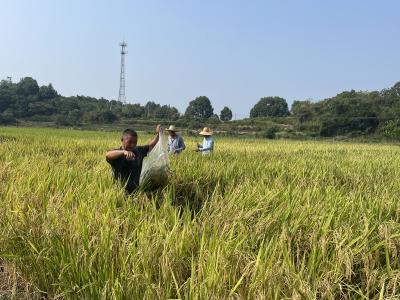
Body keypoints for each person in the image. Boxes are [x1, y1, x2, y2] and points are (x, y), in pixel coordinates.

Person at [106, 125, 161, 194]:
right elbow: (108, 154)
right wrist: (123, 152)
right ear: (122, 140)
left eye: (135, 142)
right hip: (121, 192)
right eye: (129, 142)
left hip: (138, 192)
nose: (132, 145)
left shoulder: (138, 150)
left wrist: (158, 134)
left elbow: (150, 145)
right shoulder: (117, 154)